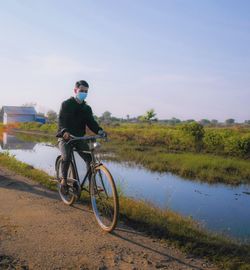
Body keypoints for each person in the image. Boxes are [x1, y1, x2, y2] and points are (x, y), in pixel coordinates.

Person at [57, 80, 106, 190]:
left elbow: (91, 123)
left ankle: (92, 186)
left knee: (90, 159)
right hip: (66, 138)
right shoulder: (66, 104)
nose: (84, 93)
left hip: (79, 138)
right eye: (81, 90)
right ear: (75, 90)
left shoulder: (86, 108)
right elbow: (61, 121)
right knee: (66, 157)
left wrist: (100, 131)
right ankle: (64, 180)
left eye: (86, 91)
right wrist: (64, 132)